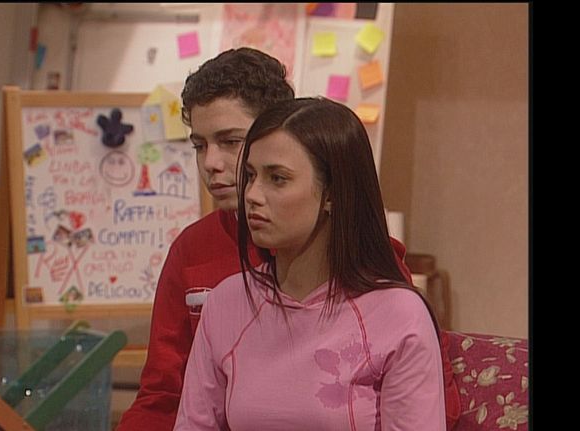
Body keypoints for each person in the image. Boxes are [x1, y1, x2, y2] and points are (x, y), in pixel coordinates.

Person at [117, 48, 456, 431]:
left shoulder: (382, 292)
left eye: (230, 141)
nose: (211, 163)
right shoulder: (207, 272)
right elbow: (165, 396)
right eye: (199, 145)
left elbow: (431, 401)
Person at [174, 97, 446, 430]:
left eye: (277, 178)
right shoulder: (226, 303)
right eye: (250, 176)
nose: (252, 195)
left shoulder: (399, 314)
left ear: (332, 194)